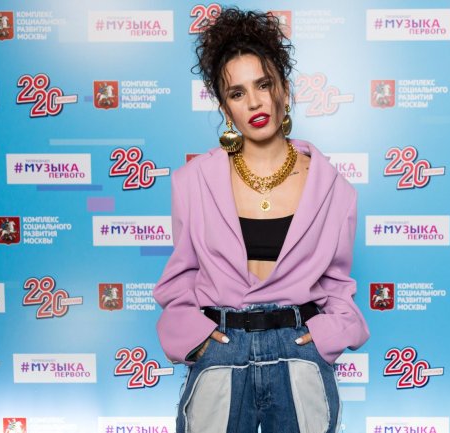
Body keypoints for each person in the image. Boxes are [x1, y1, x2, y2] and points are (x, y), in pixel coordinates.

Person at [154, 7, 369, 433]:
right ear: (224, 107)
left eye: (263, 84)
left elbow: (338, 283)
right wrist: (196, 338)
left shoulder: (333, 188)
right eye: (237, 93)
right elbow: (180, 278)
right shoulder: (192, 182)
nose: (253, 102)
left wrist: (326, 337)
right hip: (221, 352)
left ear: (284, 90)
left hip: (299, 354)